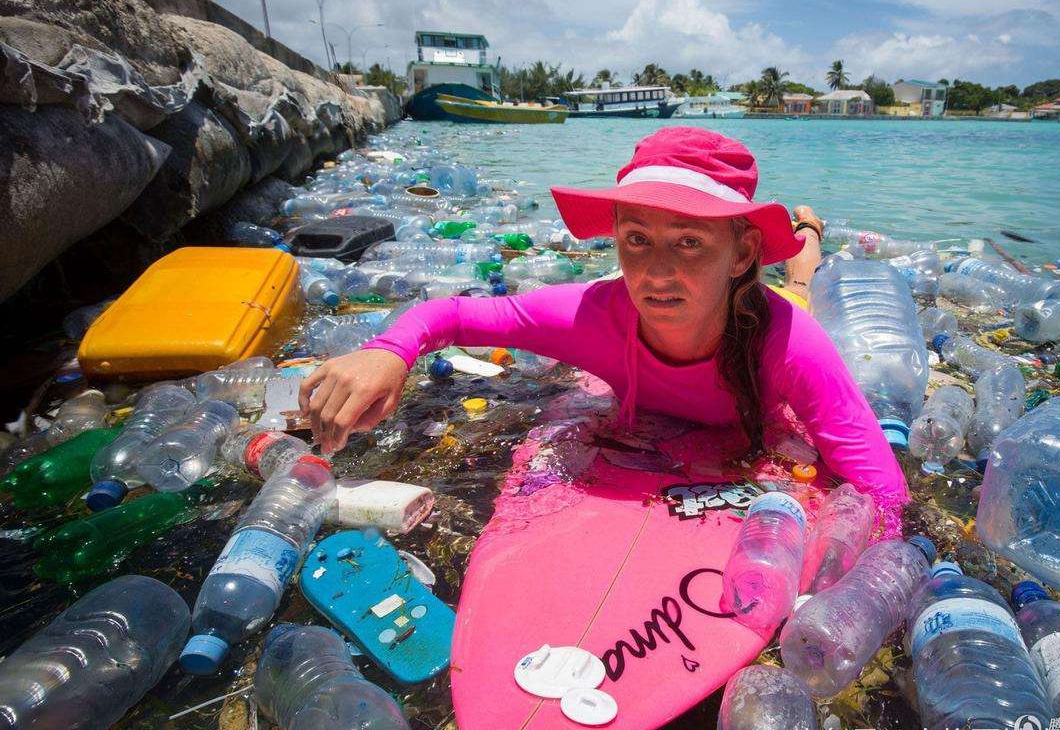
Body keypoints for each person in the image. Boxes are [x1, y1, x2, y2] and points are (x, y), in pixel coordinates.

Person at [299, 127, 909, 518]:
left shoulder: (790, 347)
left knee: (800, 286)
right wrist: (387, 351)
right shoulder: (589, 316)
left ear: (742, 252)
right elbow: (450, 313)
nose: (657, 273)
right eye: (637, 238)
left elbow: (885, 493)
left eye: (690, 242)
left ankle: (806, 231)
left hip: (770, 308)